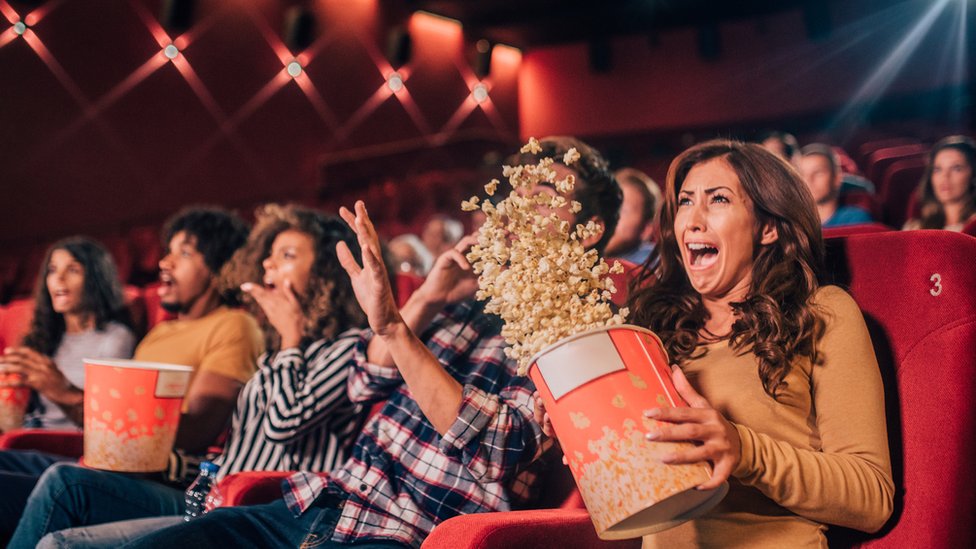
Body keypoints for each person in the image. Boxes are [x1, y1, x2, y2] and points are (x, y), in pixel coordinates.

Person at [116, 136, 621, 548]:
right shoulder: (466, 302)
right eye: (515, 196)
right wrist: (425, 300)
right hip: (322, 504)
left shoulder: (582, 335)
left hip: (404, 532)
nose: (515, 213)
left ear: (589, 231)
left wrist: (396, 329)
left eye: (542, 199)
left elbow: (498, 448)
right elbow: (364, 382)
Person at [539, 139, 893, 547]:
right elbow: (636, 491)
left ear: (768, 227)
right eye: (685, 202)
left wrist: (743, 450)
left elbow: (872, 496)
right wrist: (585, 425)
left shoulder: (821, 312)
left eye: (718, 199)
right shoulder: (649, 329)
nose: (692, 220)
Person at [11, 204, 371, 549]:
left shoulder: (346, 348)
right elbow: (235, 454)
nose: (268, 264)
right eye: (270, 254)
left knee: (61, 525)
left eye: (287, 256)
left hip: (259, 517)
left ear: (327, 273)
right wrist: (173, 467)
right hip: (208, 497)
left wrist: (291, 339)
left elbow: (284, 424)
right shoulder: (278, 352)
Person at [0, 207, 262, 544]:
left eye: (183, 253)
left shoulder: (234, 325)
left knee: (64, 482)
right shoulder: (160, 333)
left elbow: (196, 431)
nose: (164, 262)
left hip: (164, 481)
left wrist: (65, 393)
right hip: (112, 467)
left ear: (219, 268)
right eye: (167, 251)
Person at [0, 238, 137, 542]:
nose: (59, 279)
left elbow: (106, 418)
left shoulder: (114, 337)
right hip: (27, 441)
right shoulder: (46, 337)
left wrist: (55, 384)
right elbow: (14, 418)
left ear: (96, 278)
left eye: (72, 270)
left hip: (70, 451)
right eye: (52, 270)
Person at [903, 135, 976, 231]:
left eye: (956, 168)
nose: (945, 176)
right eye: (938, 169)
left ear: (973, 175)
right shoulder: (914, 227)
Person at [798, 143, 872, 227]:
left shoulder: (856, 220)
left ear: (837, 178)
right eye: (802, 174)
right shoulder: (793, 223)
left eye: (818, 173)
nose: (809, 180)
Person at [604, 167, 662, 266]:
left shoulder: (653, 265)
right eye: (606, 205)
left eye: (622, 210)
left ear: (646, 229)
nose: (607, 215)